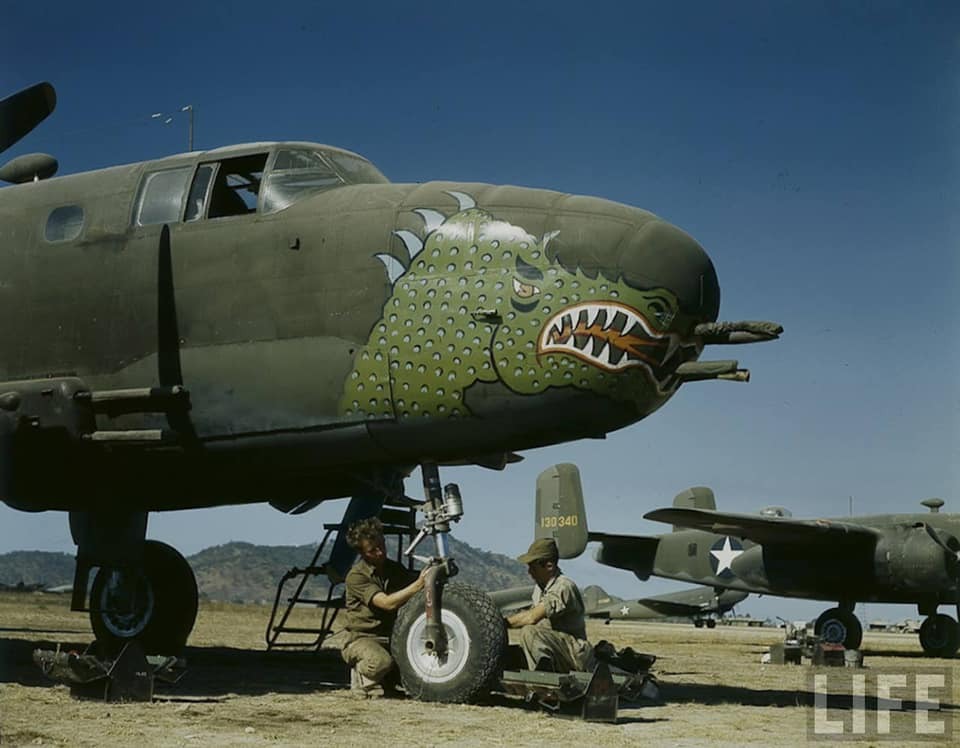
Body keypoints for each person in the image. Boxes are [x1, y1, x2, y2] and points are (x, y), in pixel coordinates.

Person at [338, 517, 428, 697]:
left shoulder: (394, 569)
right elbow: (387, 603)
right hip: (363, 638)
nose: (380, 552)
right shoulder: (356, 576)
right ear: (361, 553)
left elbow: (414, 589)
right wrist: (419, 584)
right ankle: (361, 674)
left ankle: (384, 679)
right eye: (373, 550)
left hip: (392, 638)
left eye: (381, 545)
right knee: (380, 662)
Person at [505, 537, 595, 673]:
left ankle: (542, 676)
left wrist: (502, 623)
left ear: (549, 566)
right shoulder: (539, 589)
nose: (529, 572)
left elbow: (531, 617)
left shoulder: (563, 586)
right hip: (557, 647)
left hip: (575, 654)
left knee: (529, 632)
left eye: (533, 567)